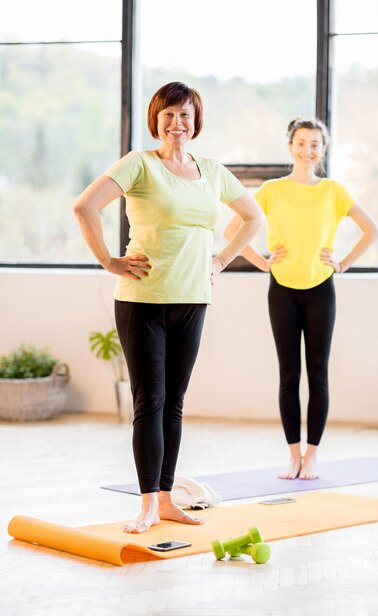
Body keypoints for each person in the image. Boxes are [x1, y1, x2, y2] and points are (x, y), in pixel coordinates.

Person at [73, 82, 262, 533]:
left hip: (193, 298)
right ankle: (146, 506)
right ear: (155, 119)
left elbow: (255, 217)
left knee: (174, 403)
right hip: (143, 301)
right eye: (169, 115)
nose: (177, 123)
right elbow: (85, 207)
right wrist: (108, 260)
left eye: (186, 115)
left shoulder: (212, 170)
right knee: (149, 401)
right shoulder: (139, 164)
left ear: (196, 121)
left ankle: (166, 497)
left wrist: (221, 259)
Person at [225, 117, 378, 480]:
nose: (307, 150)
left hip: (320, 290)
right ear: (290, 146)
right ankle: (292, 455)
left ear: (322, 150)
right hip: (282, 290)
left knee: (318, 375)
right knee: (289, 375)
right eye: (301, 143)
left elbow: (372, 230)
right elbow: (233, 229)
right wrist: (262, 262)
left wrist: (342, 263)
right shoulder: (272, 190)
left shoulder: (334, 191)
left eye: (314, 144)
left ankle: (313, 457)